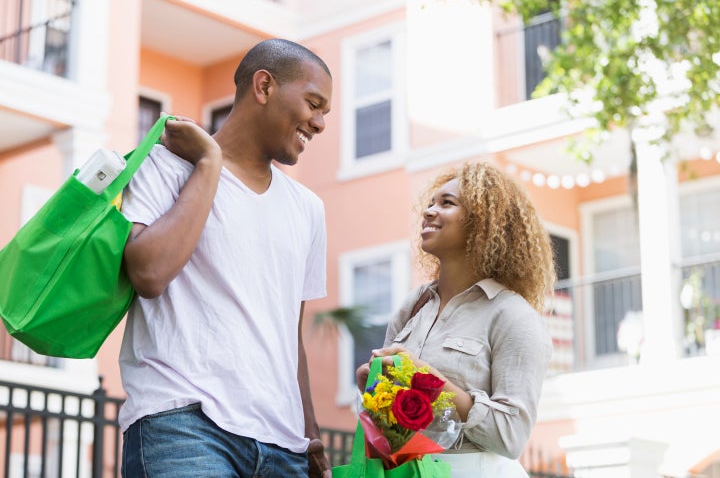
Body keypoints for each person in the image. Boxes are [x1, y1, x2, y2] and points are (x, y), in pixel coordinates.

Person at [119, 38, 333, 478]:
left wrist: (309, 436)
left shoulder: (308, 208)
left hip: (283, 447)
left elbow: (288, 334)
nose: (320, 123)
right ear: (264, 86)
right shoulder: (165, 166)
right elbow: (149, 272)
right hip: (183, 426)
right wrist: (209, 163)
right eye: (314, 103)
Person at [356, 162, 555, 478]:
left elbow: (511, 436)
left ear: (483, 223)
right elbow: (396, 432)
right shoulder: (412, 307)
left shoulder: (514, 317)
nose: (429, 212)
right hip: (411, 471)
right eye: (431, 203)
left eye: (447, 203)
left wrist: (427, 381)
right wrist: (373, 391)